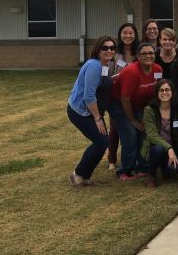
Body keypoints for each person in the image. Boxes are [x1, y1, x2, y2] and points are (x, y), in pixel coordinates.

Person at [111, 42, 163, 180]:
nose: (148, 56)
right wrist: (133, 120)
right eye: (144, 53)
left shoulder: (157, 69)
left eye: (151, 53)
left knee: (144, 134)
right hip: (120, 106)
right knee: (130, 135)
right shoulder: (131, 72)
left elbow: (156, 92)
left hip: (139, 106)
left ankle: (141, 167)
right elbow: (125, 99)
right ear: (138, 57)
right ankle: (124, 171)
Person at [66, 36, 115, 186]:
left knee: (102, 141)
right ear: (98, 50)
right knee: (101, 141)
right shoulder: (94, 66)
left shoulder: (103, 64)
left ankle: (84, 177)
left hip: (89, 111)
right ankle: (78, 175)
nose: (109, 50)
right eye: (105, 48)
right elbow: (88, 96)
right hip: (80, 112)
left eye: (112, 48)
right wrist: (97, 118)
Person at [140, 79, 178, 188]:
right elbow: (152, 135)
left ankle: (165, 170)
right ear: (157, 93)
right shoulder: (149, 110)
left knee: (174, 171)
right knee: (158, 149)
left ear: (172, 92)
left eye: (167, 89)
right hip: (155, 149)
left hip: (172, 152)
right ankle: (151, 176)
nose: (164, 93)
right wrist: (169, 148)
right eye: (161, 90)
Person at [108, 22, 140, 170]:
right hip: (116, 98)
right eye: (125, 33)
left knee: (133, 129)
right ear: (120, 35)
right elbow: (107, 75)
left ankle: (134, 159)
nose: (128, 36)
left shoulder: (139, 53)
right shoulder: (114, 54)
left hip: (135, 97)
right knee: (115, 129)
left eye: (131, 33)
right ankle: (112, 160)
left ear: (135, 35)